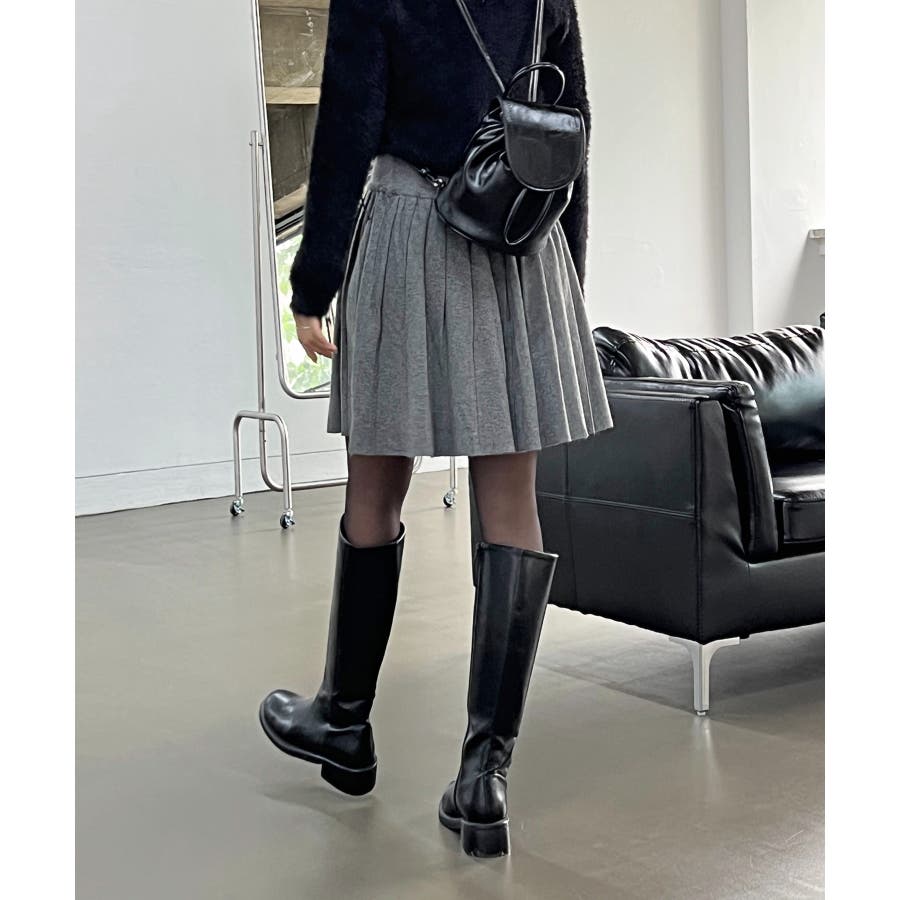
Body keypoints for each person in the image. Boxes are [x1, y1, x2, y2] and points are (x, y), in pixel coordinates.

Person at [258, 0, 613, 859]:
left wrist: (313, 285)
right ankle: (484, 780)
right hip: (521, 243)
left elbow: (346, 129)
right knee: (512, 501)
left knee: (376, 485)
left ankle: (344, 722)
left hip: (411, 232)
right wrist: (566, 267)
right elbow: (570, 129)